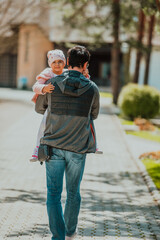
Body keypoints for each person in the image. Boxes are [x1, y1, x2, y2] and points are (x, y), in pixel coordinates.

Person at [35, 45, 100, 240]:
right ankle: (70, 232)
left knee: (53, 194)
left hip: (52, 147)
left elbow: (40, 108)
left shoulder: (52, 83)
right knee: (73, 192)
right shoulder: (92, 88)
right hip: (77, 149)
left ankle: (58, 237)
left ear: (67, 63)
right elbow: (94, 115)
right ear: (86, 64)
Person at [30, 49, 66, 161]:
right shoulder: (48, 72)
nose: (57, 64)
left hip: (63, 106)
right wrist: (44, 88)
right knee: (43, 125)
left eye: (60, 61)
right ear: (50, 64)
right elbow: (35, 87)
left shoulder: (67, 72)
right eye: (54, 62)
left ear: (64, 63)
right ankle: (37, 149)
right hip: (49, 105)